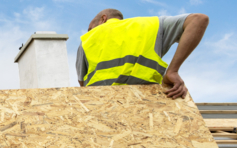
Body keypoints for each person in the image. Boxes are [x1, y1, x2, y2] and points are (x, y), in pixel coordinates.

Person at [76, 8, 209, 99]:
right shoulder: (151, 25)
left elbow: (83, 87)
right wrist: (172, 71)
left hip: (101, 104)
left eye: (90, 28)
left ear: (103, 19)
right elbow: (199, 19)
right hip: (150, 101)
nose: (90, 31)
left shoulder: (87, 39)